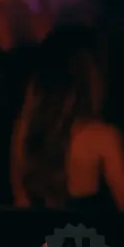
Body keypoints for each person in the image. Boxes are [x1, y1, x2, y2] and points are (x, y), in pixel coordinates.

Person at [11, 26, 124, 213]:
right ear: (90, 76)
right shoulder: (102, 137)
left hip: (37, 233)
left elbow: (22, 205)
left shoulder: (25, 131)